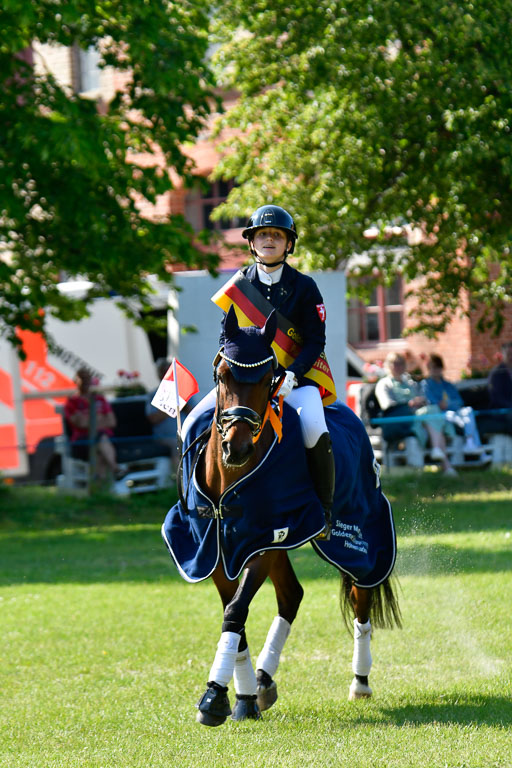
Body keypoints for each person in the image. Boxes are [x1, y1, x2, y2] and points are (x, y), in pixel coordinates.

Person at [187, 204, 334, 537]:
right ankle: (192, 505)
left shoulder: (305, 287)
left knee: (313, 426)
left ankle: (323, 510)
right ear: (251, 242)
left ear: (288, 244)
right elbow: (228, 338)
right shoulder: (238, 286)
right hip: (243, 383)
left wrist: (293, 375)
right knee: (193, 422)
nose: (270, 239)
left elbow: (315, 340)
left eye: (277, 235)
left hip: (295, 380)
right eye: (262, 234)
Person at [375, 352, 458, 475]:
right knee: (434, 415)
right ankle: (446, 465)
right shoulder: (384, 384)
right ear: (389, 365)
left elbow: (422, 397)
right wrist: (409, 403)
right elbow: (387, 405)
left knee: (433, 413)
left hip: (419, 417)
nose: (398, 367)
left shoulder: (410, 382)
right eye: (395, 364)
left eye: (401, 363)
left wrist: (421, 401)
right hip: (401, 420)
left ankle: (438, 452)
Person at [421, 353, 489, 455]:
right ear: (428, 368)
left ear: (442, 368)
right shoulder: (426, 384)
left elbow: (459, 401)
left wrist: (447, 404)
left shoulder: (448, 385)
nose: (435, 370)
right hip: (442, 415)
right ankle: (478, 451)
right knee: (465, 421)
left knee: (468, 411)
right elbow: (434, 403)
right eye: (432, 367)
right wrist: (448, 404)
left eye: (438, 367)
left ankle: (470, 444)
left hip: (456, 411)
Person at [64, 366, 124, 480]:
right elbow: (80, 424)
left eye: (87, 377)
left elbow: (112, 422)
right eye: (82, 377)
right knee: (100, 441)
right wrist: (100, 418)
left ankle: (98, 488)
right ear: (76, 381)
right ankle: (115, 468)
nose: (86, 381)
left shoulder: (100, 399)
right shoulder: (72, 402)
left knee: (100, 448)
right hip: (82, 440)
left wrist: (90, 420)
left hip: (104, 438)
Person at [145, 358, 178, 460]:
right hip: (165, 437)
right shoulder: (153, 395)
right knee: (177, 445)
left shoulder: (181, 391)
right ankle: (180, 475)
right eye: (163, 371)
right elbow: (153, 419)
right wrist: (173, 407)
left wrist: (183, 404)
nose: (166, 374)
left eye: (169, 371)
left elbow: (193, 412)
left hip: (185, 434)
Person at [487, 340, 512, 434]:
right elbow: (497, 398)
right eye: (509, 354)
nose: (511, 357)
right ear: (503, 355)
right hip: (501, 411)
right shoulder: (497, 373)